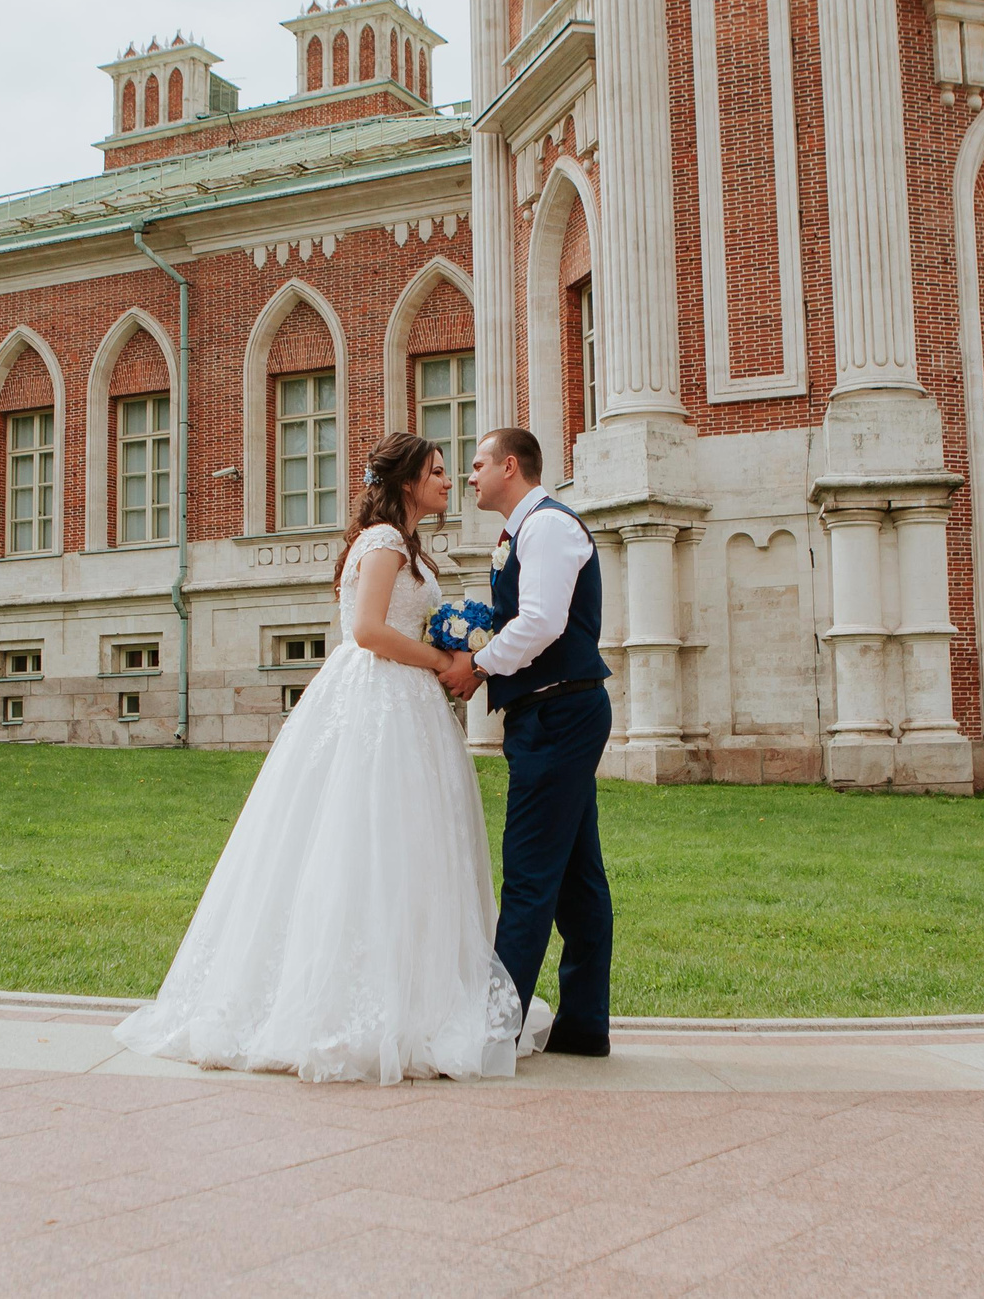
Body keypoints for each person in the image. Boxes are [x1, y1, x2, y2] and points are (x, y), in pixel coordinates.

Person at [114, 431, 544, 1084]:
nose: (446, 480)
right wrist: (441, 658)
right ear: (405, 482)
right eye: (435, 471)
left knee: (412, 845)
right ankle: (340, 1003)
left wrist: (456, 642)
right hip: (378, 701)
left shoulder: (406, 545)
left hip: (409, 706)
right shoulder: (383, 544)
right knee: (362, 837)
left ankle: (416, 987)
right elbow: (369, 630)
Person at [442, 426, 614, 1059]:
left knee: (529, 873)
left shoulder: (547, 527)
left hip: (560, 712)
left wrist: (479, 665)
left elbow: (541, 621)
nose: (470, 476)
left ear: (510, 466)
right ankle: (584, 1025)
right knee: (575, 875)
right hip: (552, 712)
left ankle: (494, 1031)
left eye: (479, 463)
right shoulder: (523, 532)